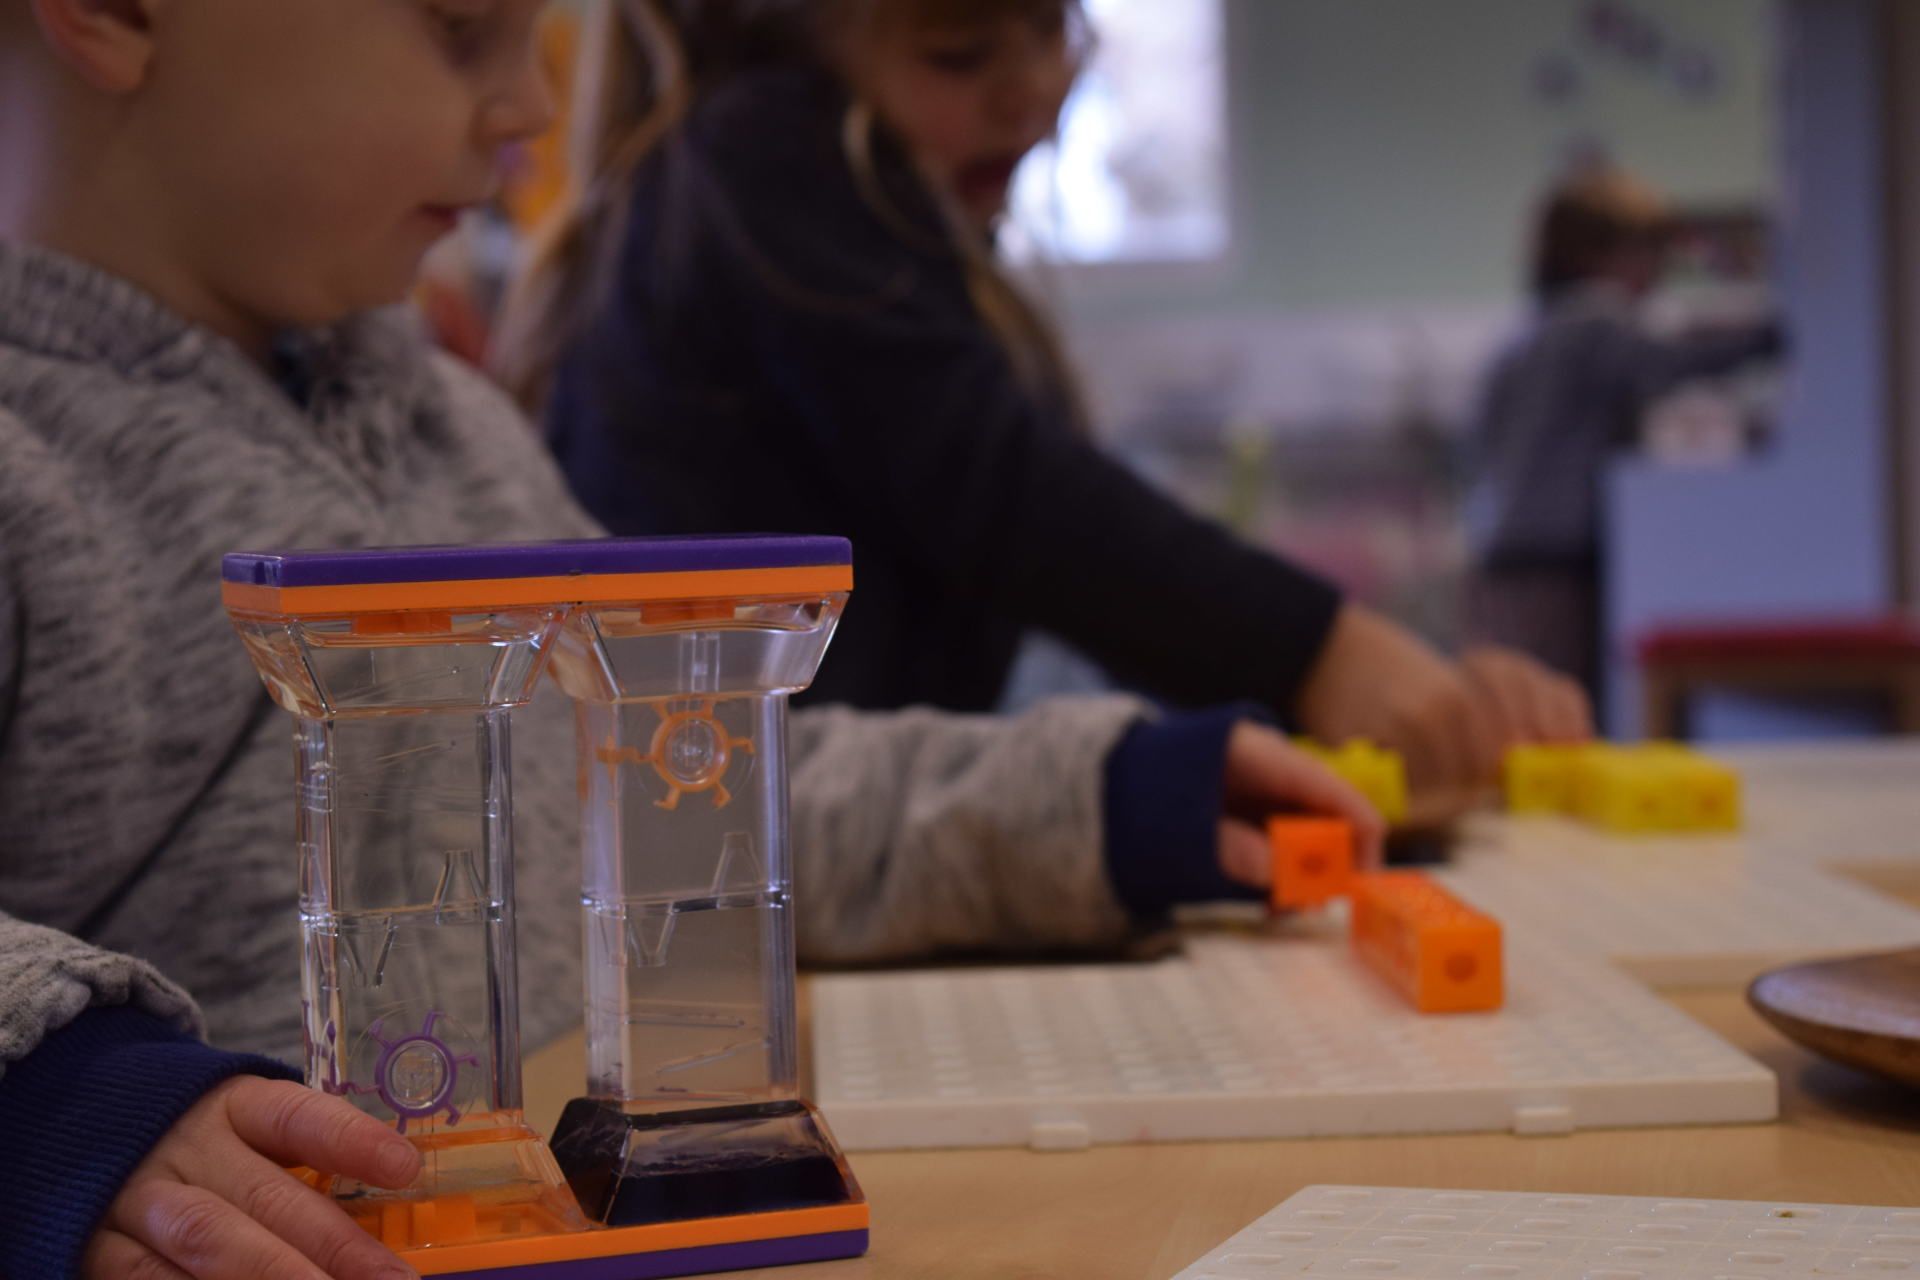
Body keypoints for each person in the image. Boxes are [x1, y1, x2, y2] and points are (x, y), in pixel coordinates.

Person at [0, 1, 1386, 1275]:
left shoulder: (460, 436)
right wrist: (58, 1099)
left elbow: (690, 794)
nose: (531, 112)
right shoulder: (25, 462)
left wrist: (1095, 801)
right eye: (465, 29)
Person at [498, 0, 1593, 798]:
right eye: (960, 49)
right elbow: (1010, 494)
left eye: (1053, 27)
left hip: (817, 832)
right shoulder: (757, 151)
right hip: (751, 848)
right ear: (791, 36)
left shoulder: (791, 192)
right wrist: (1323, 652)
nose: (1029, 89)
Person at [1465, 166, 1785, 700]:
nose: (1657, 276)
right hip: (1557, 563)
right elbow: (1670, 357)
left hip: (1503, 562)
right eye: (1651, 256)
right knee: (1561, 709)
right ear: (1604, 253)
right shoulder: (1596, 319)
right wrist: (1776, 332)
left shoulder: (1525, 337)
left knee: (1517, 707)